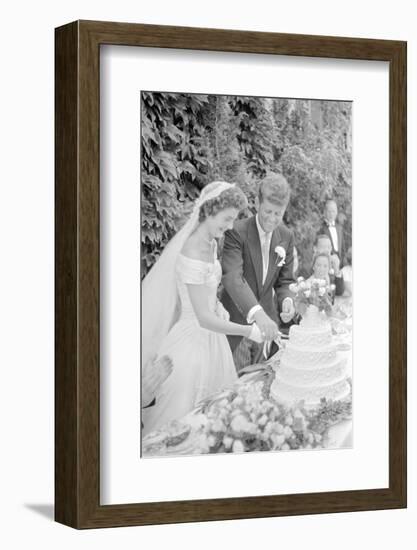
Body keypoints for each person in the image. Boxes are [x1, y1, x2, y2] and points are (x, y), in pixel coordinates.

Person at [141, 182, 264, 436]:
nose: (230, 226)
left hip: (212, 341)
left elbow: (206, 294)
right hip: (189, 347)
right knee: (184, 424)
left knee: (215, 422)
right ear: (209, 211)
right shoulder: (192, 251)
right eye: (226, 219)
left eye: (233, 220)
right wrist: (247, 330)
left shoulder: (211, 243)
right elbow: (202, 318)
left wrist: (218, 305)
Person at [220, 172, 296, 371]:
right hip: (238, 327)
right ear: (256, 202)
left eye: (278, 214)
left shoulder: (286, 236)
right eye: (268, 211)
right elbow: (232, 277)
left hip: (268, 330)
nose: (272, 219)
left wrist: (287, 300)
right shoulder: (236, 232)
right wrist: (257, 314)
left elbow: (284, 282)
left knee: (261, 390)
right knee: (235, 392)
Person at [317, 199, 345, 265]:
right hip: (327, 263)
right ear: (325, 212)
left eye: (333, 211)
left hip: (340, 263)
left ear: (336, 212)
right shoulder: (321, 228)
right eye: (329, 211)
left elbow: (343, 248)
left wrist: (343, 262)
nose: (331, 214)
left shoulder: (340, 228)